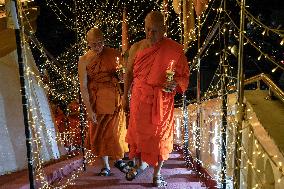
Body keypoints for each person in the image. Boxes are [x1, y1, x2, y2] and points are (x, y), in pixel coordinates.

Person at [122, 11, 190, 187]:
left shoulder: (175, 49)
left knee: (160, 139)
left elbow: (183, 76)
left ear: (164, 29)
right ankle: (138, 165)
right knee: (137, 135)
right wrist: (124, 97)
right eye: (147, 29)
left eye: (154, 31)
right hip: (138, 97)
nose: (149, 34)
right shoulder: (136, 48)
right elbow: (128, 74)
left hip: (162, 100)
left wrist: (175, 83)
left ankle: (157, 174)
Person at [78, 27, 129, 176]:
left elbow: (123, 76)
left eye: (100, 43)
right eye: (94, 44)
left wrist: (121, 76)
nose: (98, 47)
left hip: (114, 97)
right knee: (100, 133)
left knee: (115, 131)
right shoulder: (84, 60)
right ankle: (105, 165)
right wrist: (89, 109)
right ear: (88, 43)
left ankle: (118, 158)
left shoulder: (114, 54)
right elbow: (83, 86)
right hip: (96, 99)